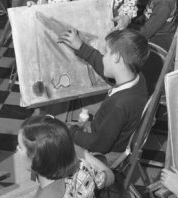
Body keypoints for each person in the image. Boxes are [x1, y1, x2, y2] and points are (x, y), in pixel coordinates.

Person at [57, 28, 149, 156]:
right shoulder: (137, 78)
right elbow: (104, 66)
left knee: (51, 144)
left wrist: (71, 132)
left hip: (103, 153)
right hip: (105, 134)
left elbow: (99, 145)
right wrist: (81, 47)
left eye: (106, 52)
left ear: (116, 57)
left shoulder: (118, 105)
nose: (103, 56)